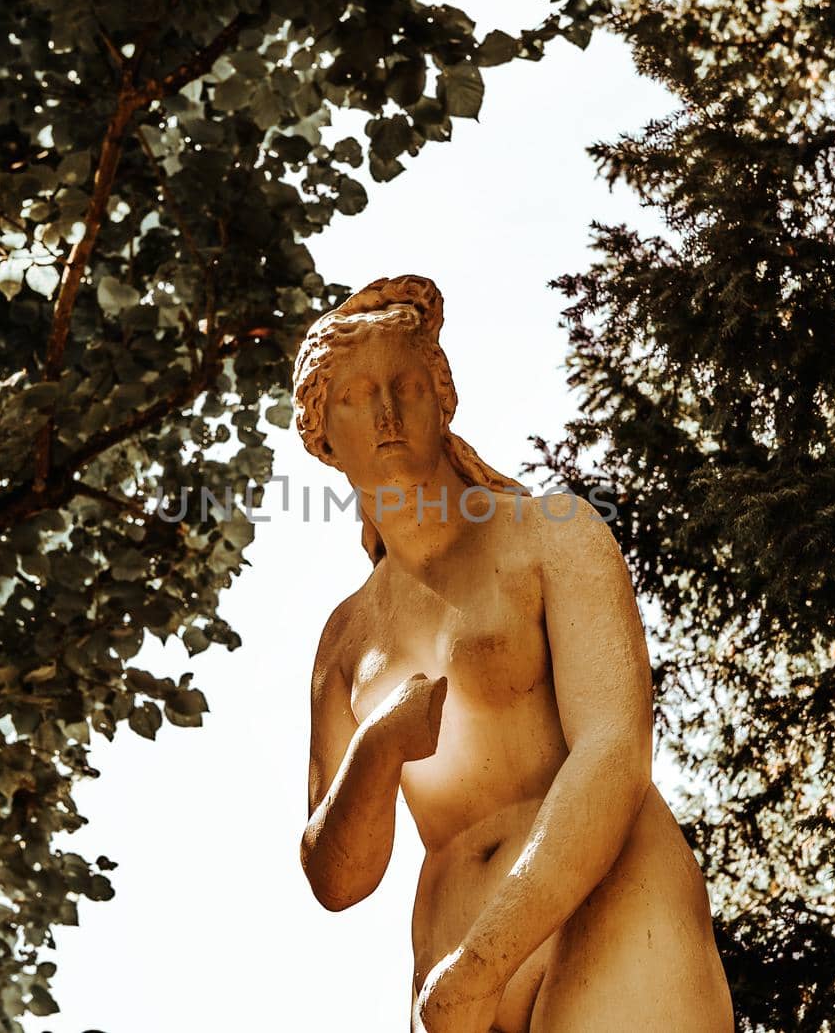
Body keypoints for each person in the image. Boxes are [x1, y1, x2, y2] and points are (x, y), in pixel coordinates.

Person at [293, 276, 734, 1033]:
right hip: (447, 969)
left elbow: (614, 751)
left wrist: (486, 960)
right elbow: (339, 878)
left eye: (405, 385)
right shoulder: (347, 639)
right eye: (358, 395)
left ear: (443, 401)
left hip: (610, 904)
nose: (388, 413)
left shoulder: (549, 533)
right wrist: (378, 746)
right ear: (324, 437)